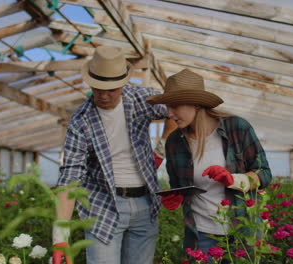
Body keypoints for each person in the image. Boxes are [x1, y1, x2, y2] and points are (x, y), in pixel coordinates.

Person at [52, 45, 175, 264]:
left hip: (145, 203)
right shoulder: (81, 121)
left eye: (112, 89)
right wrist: (60, 237)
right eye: (98, 88)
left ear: (123, 83)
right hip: (102, 206)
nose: (104, 95)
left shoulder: (140, 99)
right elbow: (70, 178)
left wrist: (161, 149)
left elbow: (178, 108)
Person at [146, 69, 272, 257]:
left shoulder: (237, 128)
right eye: (168, 107)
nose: (169, 114)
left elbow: (264, 173)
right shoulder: (174, 142)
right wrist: (175, 197)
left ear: (195, 104)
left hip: (242, 231)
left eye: (175, 106)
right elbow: (178, 187)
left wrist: (234, 180)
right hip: (200, 234)